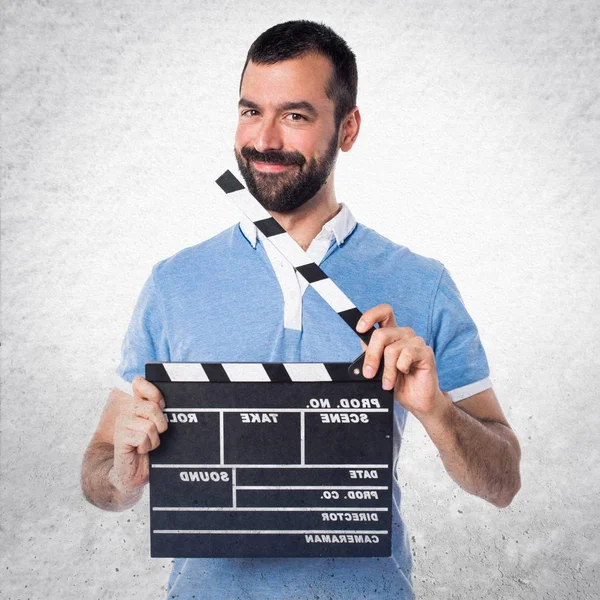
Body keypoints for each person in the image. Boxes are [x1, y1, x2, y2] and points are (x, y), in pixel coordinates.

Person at [81, 20, 521, 600]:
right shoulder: (174, 284)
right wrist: (122, 476)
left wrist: (436, 410)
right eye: (249, 110)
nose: (263, 139)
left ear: (348, 127)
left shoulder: (422, 284)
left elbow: (503, 481)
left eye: (295, 115)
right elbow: (100, 467)